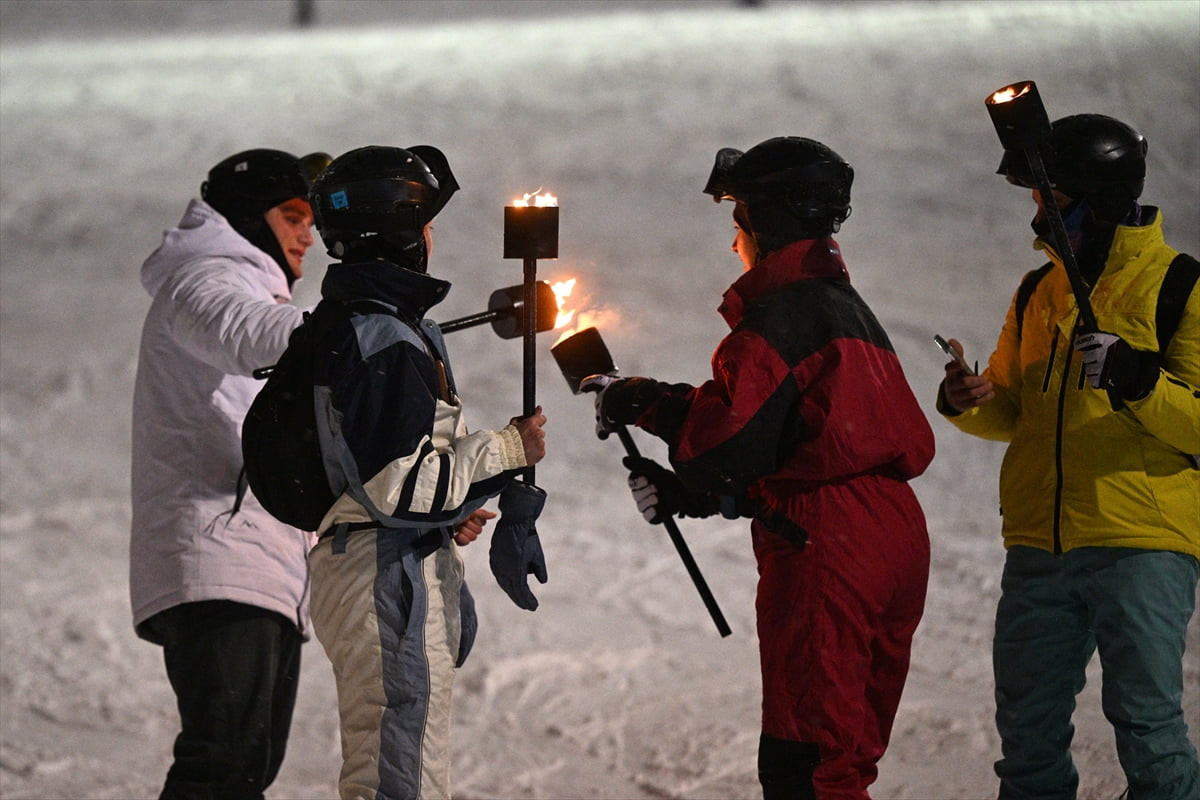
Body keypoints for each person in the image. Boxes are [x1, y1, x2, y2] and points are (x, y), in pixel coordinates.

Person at [588, 137, 935, 800]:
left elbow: (719, 449)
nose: (733, 242)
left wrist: (648, 407)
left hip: (829, 547)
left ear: (766, 223)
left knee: (805, 765)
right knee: (848, 756)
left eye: (738, 220)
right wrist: (695, 488)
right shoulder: (841, 306)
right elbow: (791, 438)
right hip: (889, 531)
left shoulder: (780, 317)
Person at [938, 113, 1199, 799]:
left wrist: (1139, 379)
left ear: (1094, 197)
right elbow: (1015, 414)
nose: (1036, 215)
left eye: (1047, 200)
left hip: (1140, 542)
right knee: (1026, 740)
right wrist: (969, 399)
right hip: (1039, 547)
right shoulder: (1037, 292)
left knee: (1149, 734)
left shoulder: (1180, 287)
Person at [304, 144, 549, 800]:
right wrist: (505, 450)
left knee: (407, 769)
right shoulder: (382, 339)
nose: (433, 236)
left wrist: (454, 504)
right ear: (405, 233)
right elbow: (399, 485)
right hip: (380, 571)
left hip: (380, 559)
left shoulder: (368, 326)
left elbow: (385, 469)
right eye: (427, 222)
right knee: (395, 779)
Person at [130, 147, 331, 799]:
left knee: (246, 767)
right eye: (293, 215)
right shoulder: (206, 278)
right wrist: (350, 328)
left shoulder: (254, 293)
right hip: (220, 558)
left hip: (266, 569)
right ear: (248, 217)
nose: (309, 235)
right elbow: (241, 331)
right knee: (222, 767)